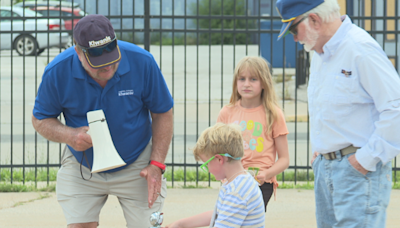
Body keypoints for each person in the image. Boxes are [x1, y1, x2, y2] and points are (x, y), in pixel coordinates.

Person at [31, 14, 173, 228]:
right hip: (83, 164)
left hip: (137, 162)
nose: (107, 67)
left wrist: (156, 163)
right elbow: (40, 118)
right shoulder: (57, 71)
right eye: (98, 62)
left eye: (111, 58)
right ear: (78, 52)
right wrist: (70, 136)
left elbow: (163, 112)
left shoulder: (142, 61)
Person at [276, 0, 400, 227]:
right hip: (328, 169)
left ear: (314, 19)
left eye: (294, 29)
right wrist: (322, 151)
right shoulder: (321, 55)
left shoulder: (359, 48)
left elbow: (395, 108)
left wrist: (365, 160)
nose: (295, 38)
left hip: (358, 173)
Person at [217, 56, 290, 211]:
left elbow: (284, 159)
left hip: (261, 184)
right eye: (242, 79)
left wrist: (267, 173)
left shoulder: (274, 114)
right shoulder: (226, 113)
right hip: (232, 181)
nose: (246, 84)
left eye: (253, 79)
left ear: (264, 83)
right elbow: (217, 152)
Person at [165, 123, 265, 228]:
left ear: (219, 159)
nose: (208, 170)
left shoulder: (236, 192)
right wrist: (180, 224)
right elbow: (218, 214)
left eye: (207, 164)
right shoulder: (240, 182)